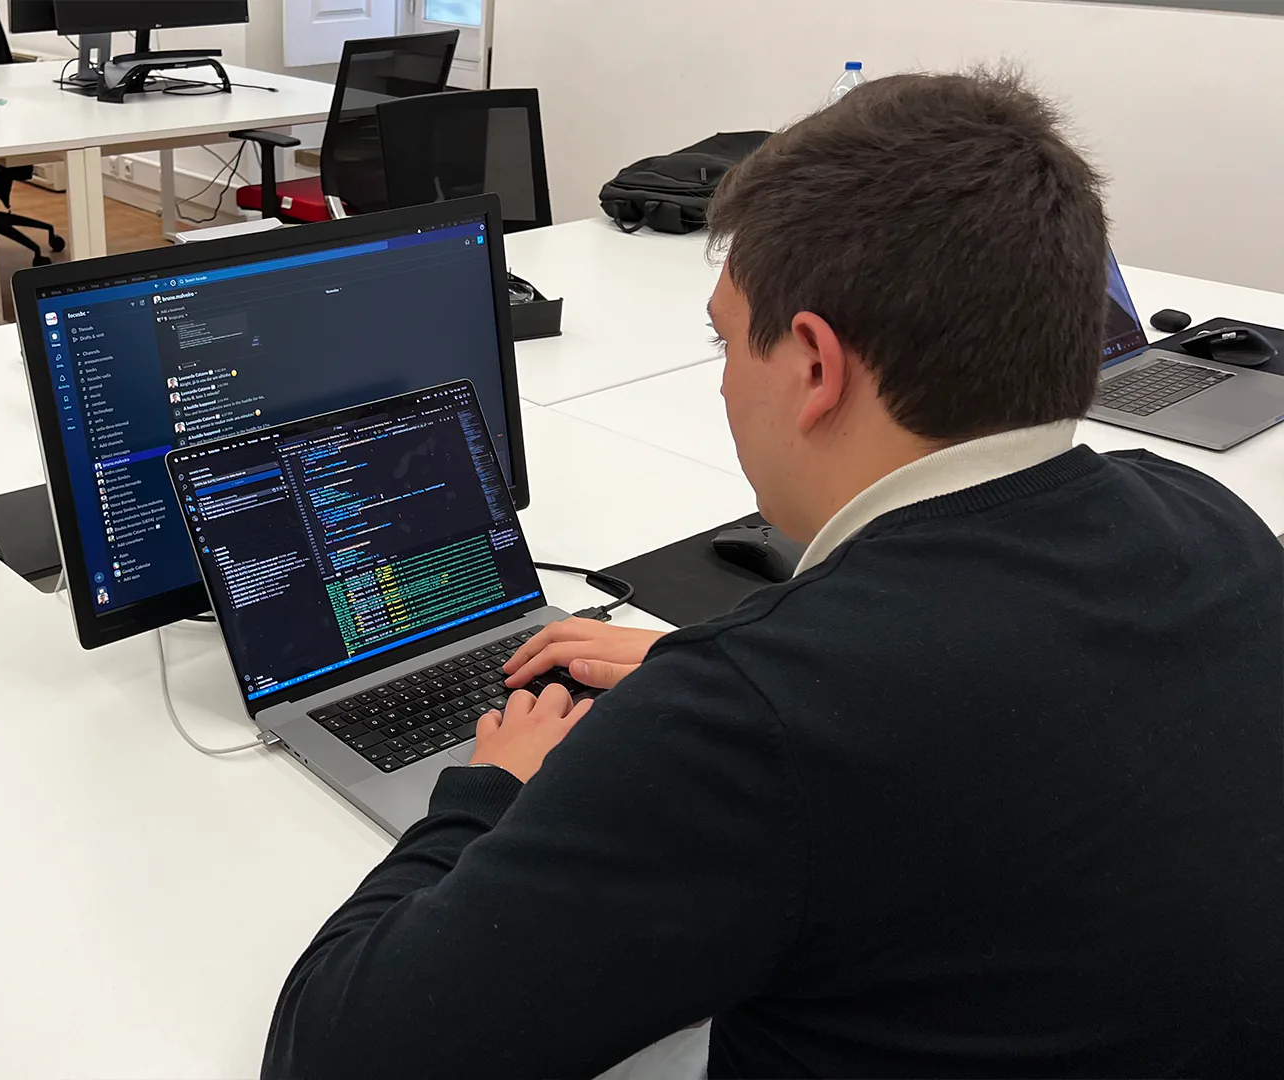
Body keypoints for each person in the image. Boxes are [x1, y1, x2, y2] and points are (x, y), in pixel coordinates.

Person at [262, 70, 1284, 1078]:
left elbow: (334, 1051)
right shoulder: (1207, 520)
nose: (717, 378)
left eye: (722, 339)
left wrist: (490, 790)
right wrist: (701, 659)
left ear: (813, 366)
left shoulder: (758, 727)